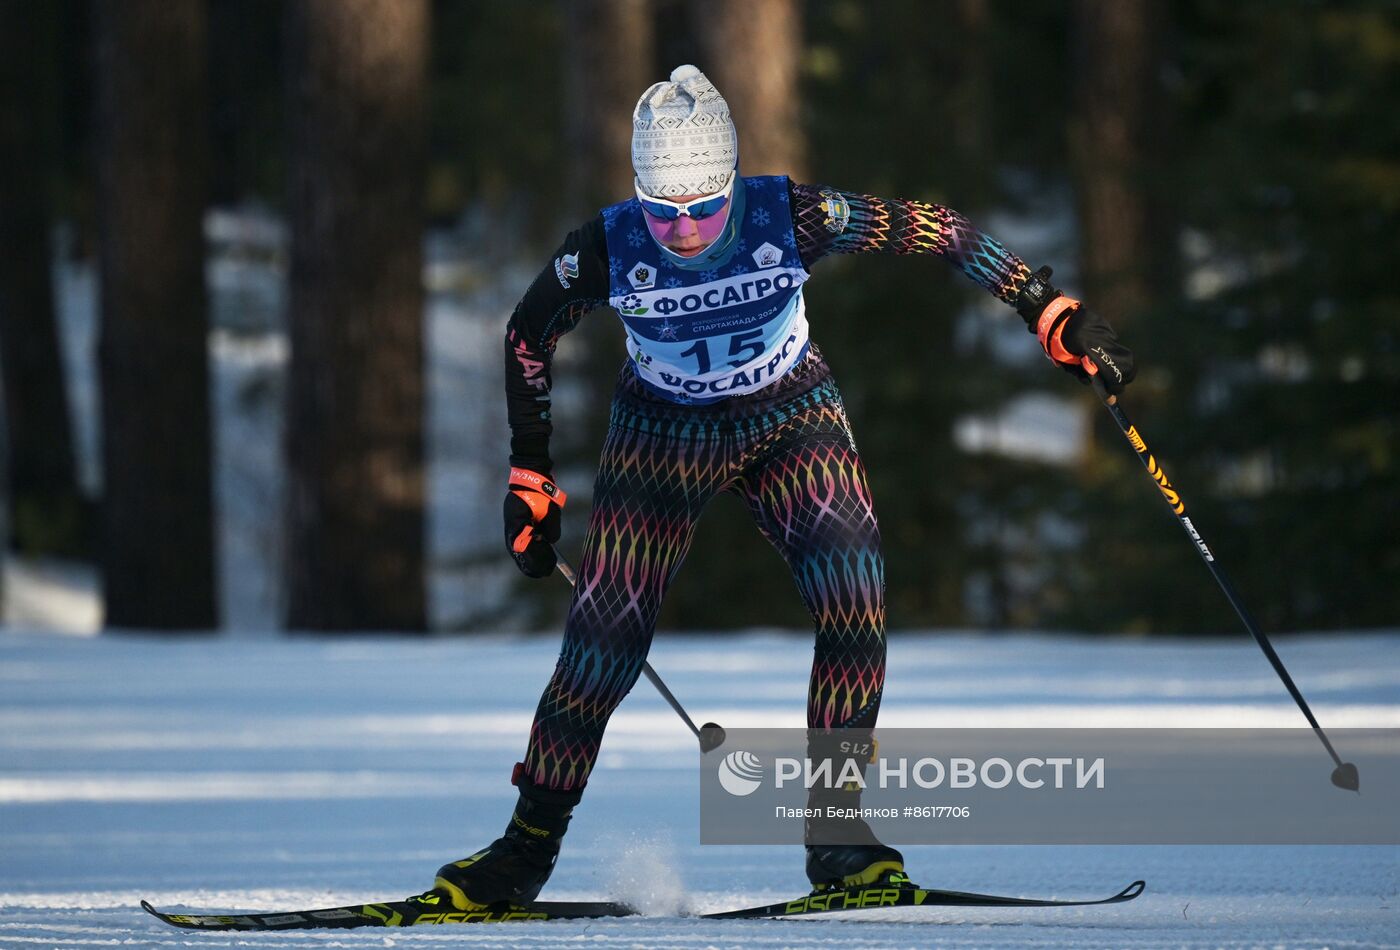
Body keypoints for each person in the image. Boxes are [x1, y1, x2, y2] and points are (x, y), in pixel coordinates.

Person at [433, 65, 1135, 910]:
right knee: (603, 640)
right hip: (663, 432)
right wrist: (530, 471)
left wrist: (1044, 306)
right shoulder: (606, 247)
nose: (685, 230)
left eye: (703, 206)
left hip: (788, 417)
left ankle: (837, 837)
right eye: (664, 211)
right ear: (638, 195)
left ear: (732, 184)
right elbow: (526, 331)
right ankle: (524, 850)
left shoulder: (791, 216)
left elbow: (936, 230)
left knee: (854, 593)